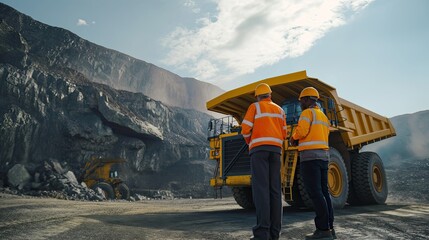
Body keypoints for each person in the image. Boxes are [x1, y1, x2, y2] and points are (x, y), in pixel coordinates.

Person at [241, 83, 287, 240]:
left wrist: (250, 142)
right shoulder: (280, 110)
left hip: (259, 151)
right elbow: (284, 133)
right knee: (275, 191)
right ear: (270, 95)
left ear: (257, 96)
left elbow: (245, 129)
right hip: (276, 151)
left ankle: (262, 233)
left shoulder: (255, 107)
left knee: (261, 191)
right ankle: (275, 233)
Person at [289, 87, 335, 240]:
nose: (301, 102)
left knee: (315, 194)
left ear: (308, 99)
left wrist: (293, 138)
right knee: (324, 193)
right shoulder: (323, 116)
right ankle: (330, 227)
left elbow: (301, 131)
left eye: (302, 100)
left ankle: (323, 230)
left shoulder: (307, 113)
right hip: (323, 157)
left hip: (310, 158)